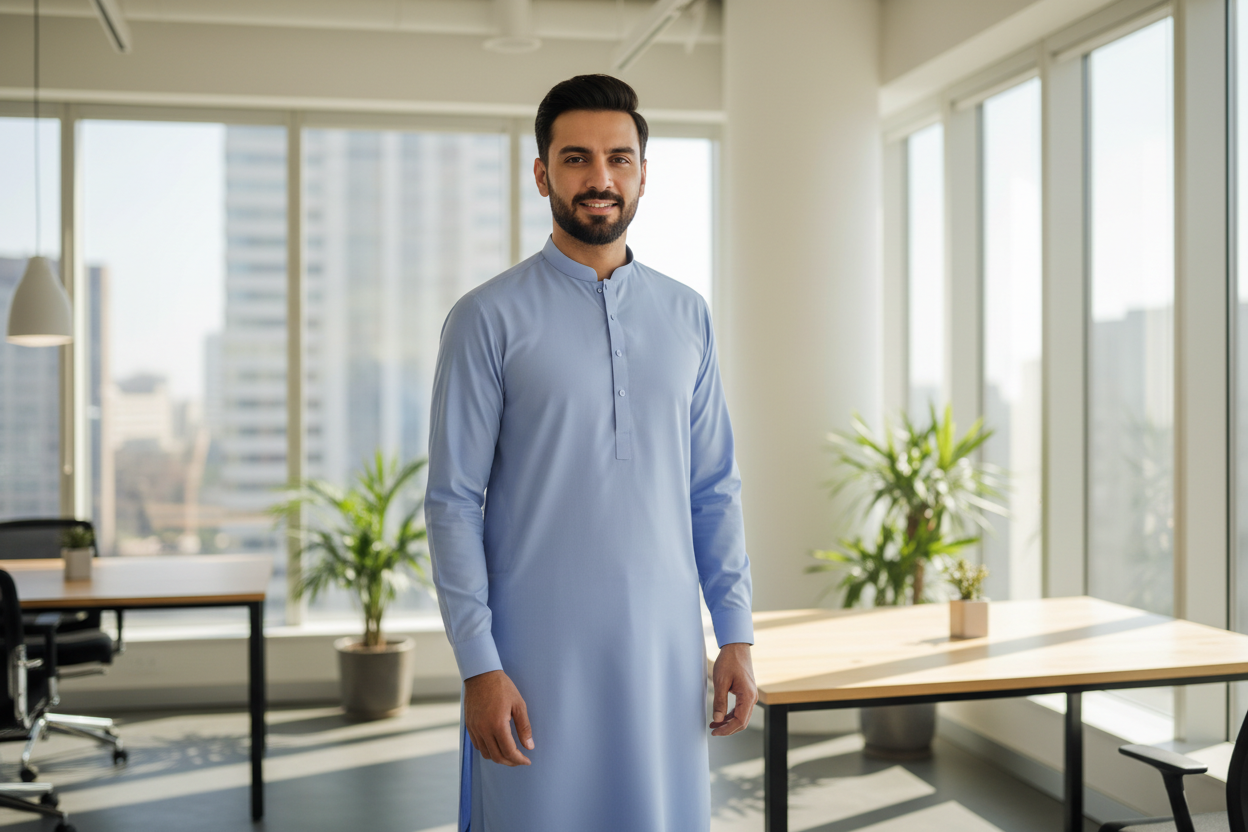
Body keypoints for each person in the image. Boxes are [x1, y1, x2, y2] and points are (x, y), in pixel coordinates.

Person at [425, 73, 756, 832]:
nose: (600, 179)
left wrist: (734, 633)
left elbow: (715, 488)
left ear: (643, 174)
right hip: (534, 659)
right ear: (542, 173)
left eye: (619, 159)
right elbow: (451, 504)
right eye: (576, 159)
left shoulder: (687, 315)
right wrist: (480, 666)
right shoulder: (486, 318)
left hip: (666, 661)